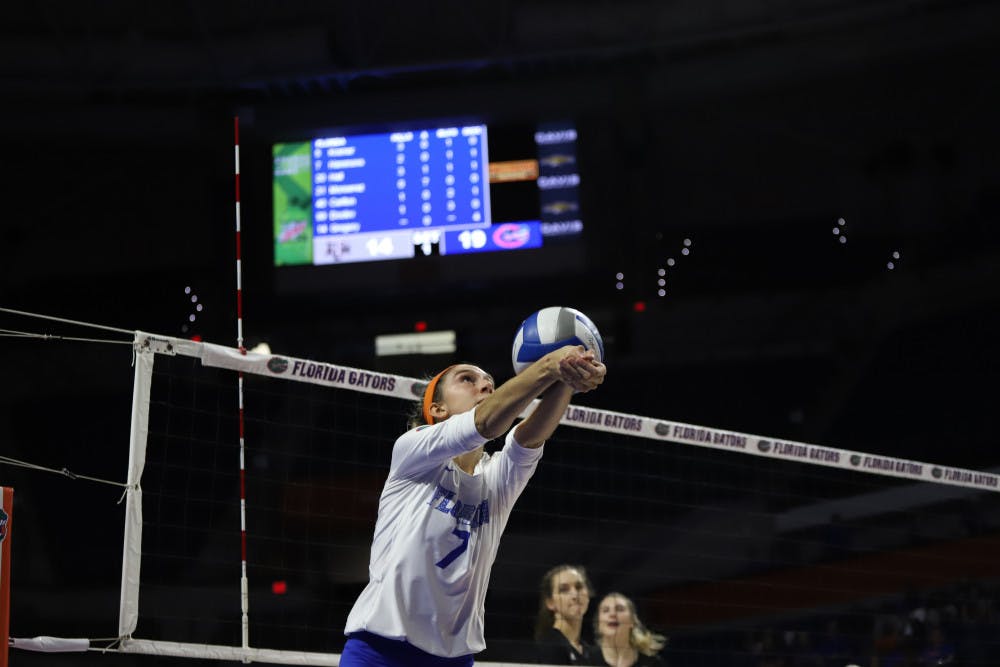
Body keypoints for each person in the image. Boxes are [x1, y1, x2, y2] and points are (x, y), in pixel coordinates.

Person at [341, 345, 607, 667]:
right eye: (467, 379)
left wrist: (569, 378)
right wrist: (551, 364)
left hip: (454, 658)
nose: (484, 387)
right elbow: (487, 423)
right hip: (382, 649)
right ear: (437, 409)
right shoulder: (413, 452)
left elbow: (529, 438)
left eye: (491, 385)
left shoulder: (495, 478)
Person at [533, 564, 600, 664]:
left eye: (579, 587)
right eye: (564, 590)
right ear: (550, 603)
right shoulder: (550, 647)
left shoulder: (591, 652)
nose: (575, 594)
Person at [593, 593, 667, 667]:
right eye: (605, 610)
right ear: (598, 624)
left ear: (632, 621)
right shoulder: (587, 658)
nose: (612, 614)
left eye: (619, 609)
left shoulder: (652, 663)